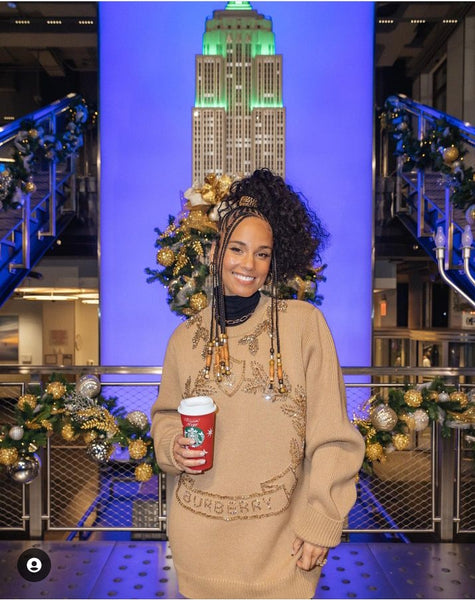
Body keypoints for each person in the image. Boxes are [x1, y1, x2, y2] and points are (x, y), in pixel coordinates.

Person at [151, 168, 365, 599]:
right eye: (237, 249)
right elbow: (166, 418)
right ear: (215, 252)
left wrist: (322, 523)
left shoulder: (304, 325)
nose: (249, 264)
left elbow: (334, 438)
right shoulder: (183, 339)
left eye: (262, 254)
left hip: (283, 550)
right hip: (199, 547)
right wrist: (172, 445)